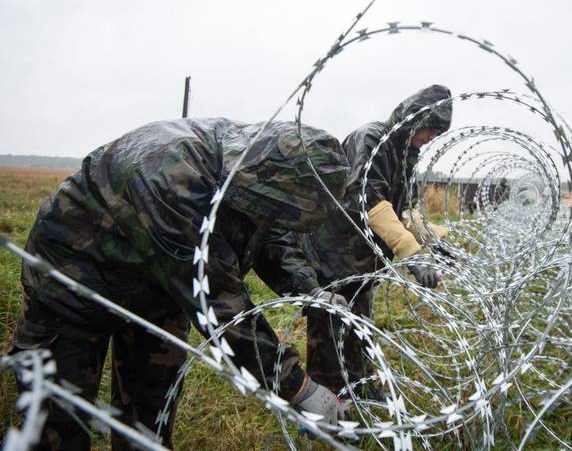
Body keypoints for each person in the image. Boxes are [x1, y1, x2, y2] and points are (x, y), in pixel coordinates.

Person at [9, 118, 350, 450]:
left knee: (150, 417)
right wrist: (297, 386)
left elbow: (271, 236)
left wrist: (310, 290)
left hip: (158, 291)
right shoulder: (174, 177)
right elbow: (221, 308)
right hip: (73, 284)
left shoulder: (260, 172)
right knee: (58, 421)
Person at [289, 84, 453, 399]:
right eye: (430, 129)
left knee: (359, 328)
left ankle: (360, 388)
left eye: (438, 133)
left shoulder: (406, 155)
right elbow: (369, 199)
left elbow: (404, 211)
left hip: (362, 260)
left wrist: (435, 240)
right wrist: (412, 254)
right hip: (334, 253)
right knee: (330, 328)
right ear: (413, 120)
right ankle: (327, 402)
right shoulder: (372, 139)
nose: (432, 137)